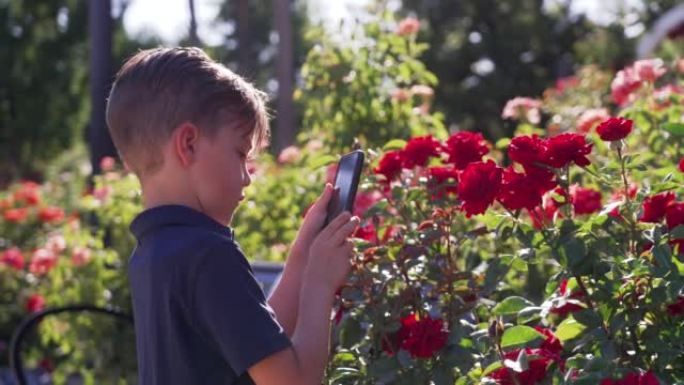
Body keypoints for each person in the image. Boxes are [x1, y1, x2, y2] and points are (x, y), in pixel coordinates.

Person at [105, 47, 359, 385]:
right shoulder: (208, 254)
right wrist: (320, 285)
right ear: (189, 144)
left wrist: (302, 257)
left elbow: (261, 348)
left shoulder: (154, 252)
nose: (248, 175)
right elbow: (293, 381)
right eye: (240, 153)